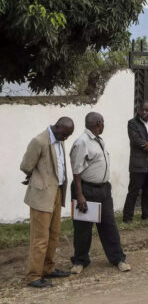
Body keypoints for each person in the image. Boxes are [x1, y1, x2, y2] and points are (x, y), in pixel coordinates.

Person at [69, 113, 131, 274]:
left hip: (103, 189)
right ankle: (80, 261)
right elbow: (76, 171)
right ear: (98, 123)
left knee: (109, 225)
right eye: (103, 122)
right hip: (86, 189)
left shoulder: (99, 140)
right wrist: (80, 195)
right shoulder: (82, 142)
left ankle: (118, 258)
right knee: (83, 228)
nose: (104, 125)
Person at [20, 117, 74, 288]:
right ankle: (33, 276)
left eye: (68, 136)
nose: (66, 138)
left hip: (57, 192)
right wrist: (36, 176)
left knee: (54, 234)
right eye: (64, 134)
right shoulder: (39, 141)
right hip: (42, 194)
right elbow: (26, 165)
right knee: (40, 238)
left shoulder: (59, 139)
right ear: (57, 127)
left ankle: (48, 269)